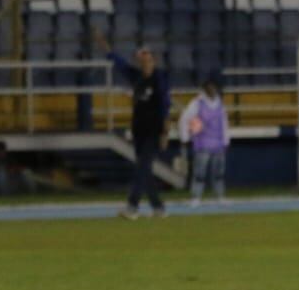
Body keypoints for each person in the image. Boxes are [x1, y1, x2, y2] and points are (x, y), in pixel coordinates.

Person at [97, 31, 170, 219]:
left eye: (146, 54)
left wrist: (165, 133)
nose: (142, 57)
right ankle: (158, 207)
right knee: (144, 169)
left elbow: (165, 106)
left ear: (152, 58)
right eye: (140, 55)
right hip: (139, 130)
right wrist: (106, 47)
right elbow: (118, 63)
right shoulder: (136, 76)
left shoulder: (159, 80)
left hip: (153, 131)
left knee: (142, 168)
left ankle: (132, 206)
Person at [179, 76, 229, 206]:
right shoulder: (197, 103)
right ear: (205, 88)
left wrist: (226, 140)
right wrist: (185, 137)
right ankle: (196, 197)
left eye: (214, 86)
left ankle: (219, 196)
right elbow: (185, 119)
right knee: (199, 173)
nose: (212, 89)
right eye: (210, 86)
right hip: (203, 143)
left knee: (219, 173)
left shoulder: (220, 104)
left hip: (218, 143)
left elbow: (224, 123)